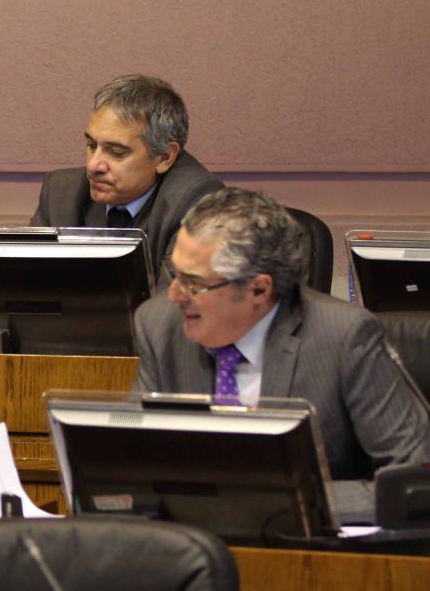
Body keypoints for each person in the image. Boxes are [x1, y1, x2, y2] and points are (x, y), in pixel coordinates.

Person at [133, 187, 430, 479]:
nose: (174, 295)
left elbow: (412, 474)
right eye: (175, 275)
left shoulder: (344, 337)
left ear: (259, 290)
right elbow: (135, 455)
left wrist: (307, 501)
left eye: (193, 284)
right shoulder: (158, 325)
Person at [31, 74, 223, 278]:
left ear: (164, 157)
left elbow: (174, 296)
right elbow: (25, 284)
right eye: (91, 145)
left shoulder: (197, 200)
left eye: (116, 152)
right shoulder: (61, 193)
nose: (93, 165)